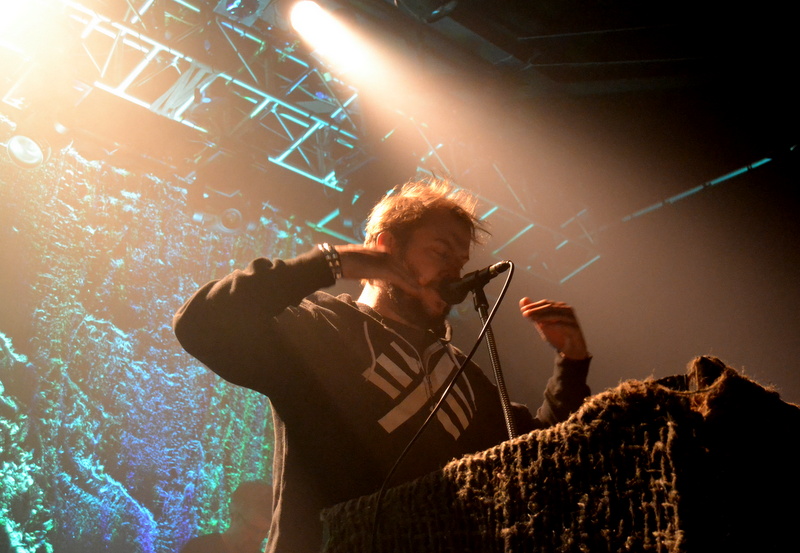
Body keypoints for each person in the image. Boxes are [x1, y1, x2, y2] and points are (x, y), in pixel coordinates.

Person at [173, 179, 592, 553]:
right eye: (440, 252)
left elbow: (538, 452)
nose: (453, 273)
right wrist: (332, 263)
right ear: (387, 247)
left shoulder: (463, 376)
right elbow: (202, 324)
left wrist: (570, 364)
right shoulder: (319, 327)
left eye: (460, 263)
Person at [180, 480, 273, 553]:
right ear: (235, 516)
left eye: (265, 532)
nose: (258, 538)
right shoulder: (198, 549)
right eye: (253, 529)